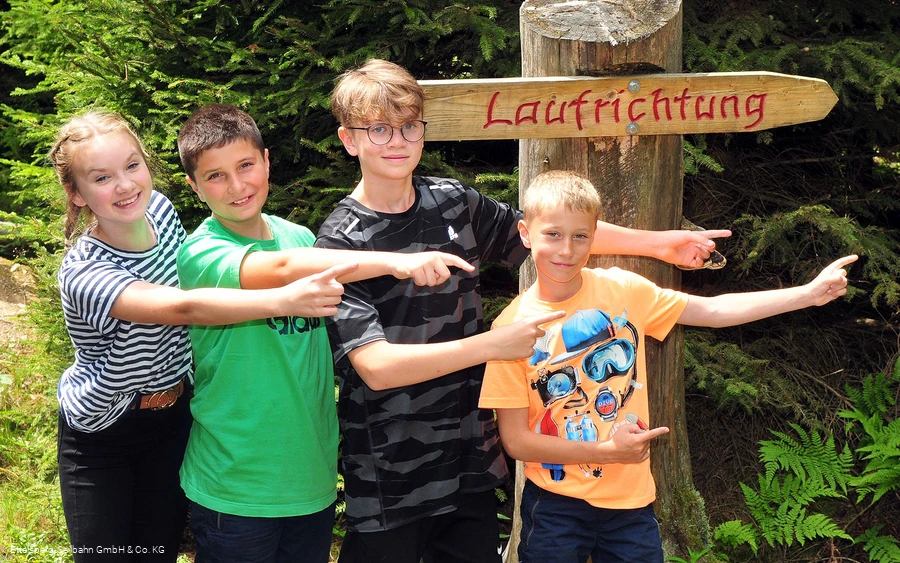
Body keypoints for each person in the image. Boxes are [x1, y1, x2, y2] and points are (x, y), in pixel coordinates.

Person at [314, 58, 733, 563]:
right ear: (349, 140)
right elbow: (376, 369)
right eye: (379, 129)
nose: (397, 141)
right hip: (391, 469)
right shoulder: (339, 243)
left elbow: (549, 230)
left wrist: (660, 244)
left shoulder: (452, 201)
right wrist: (493, 345)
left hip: (469, 460)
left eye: (409, 126)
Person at [478, 170, 856, 563]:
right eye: (553, 234)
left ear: (594, 236)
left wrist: (806, 294)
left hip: (631, 504)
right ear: (525, 233)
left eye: (580, 236)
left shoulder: (623, 289)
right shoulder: (509, 329)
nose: (567, 250)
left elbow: (713, 311)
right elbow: (516, 441)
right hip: (554, 507)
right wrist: (607, 452)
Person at [173, 103, 493, 563]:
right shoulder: (202, 252)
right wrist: (396, 261)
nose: (237, 185)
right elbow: (282, 268)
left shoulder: (302, 238)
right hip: (235, 487)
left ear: (266, 161)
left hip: (311, 483)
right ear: (194, 186)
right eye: (216, 176)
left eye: (245, 166)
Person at [51, 110, 372, 562]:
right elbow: (184, 308)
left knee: (156, 552)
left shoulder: (160, 212)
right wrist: (284, 300)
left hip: (174, 418)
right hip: (104, 432)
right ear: (76, 192)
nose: (124, 185)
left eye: (132, 166)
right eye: (101, 178)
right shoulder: (84, 271)